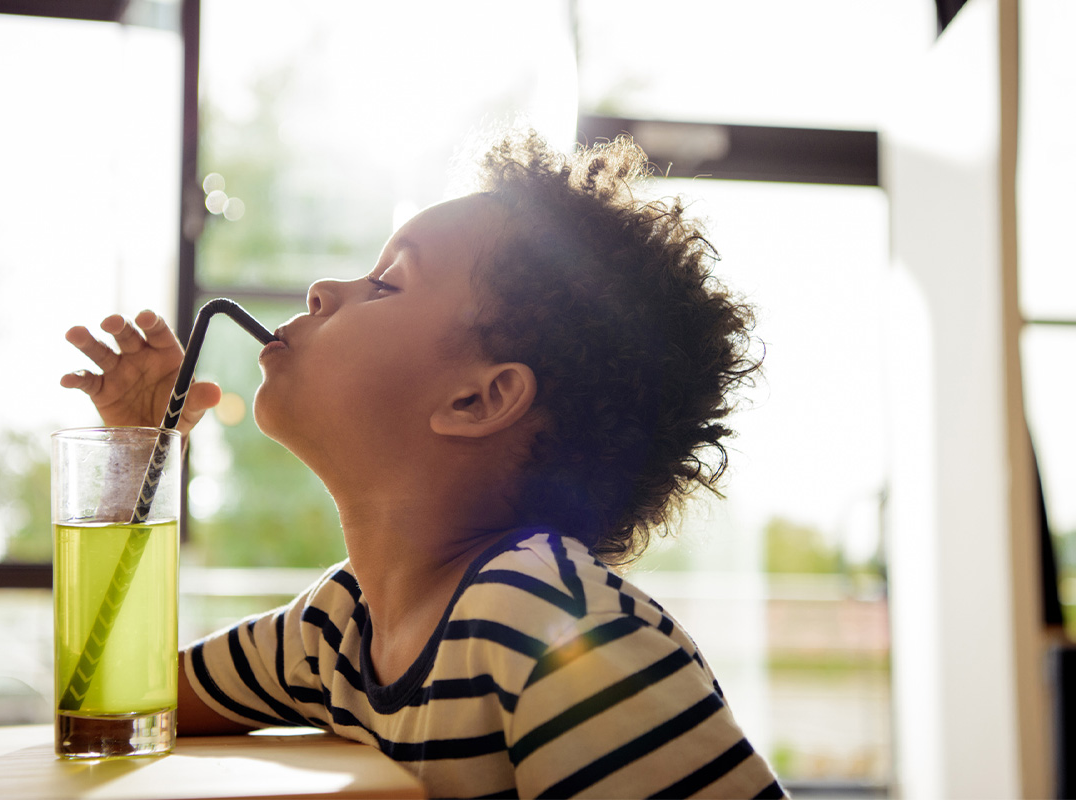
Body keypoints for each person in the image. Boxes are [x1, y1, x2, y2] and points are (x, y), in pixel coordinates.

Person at [61, 130, 785, 799]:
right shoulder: (335, 631)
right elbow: (112, 697)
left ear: (477, 399)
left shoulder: (554, 627)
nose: (323, 290)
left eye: (385, 283)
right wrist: (138, 452)